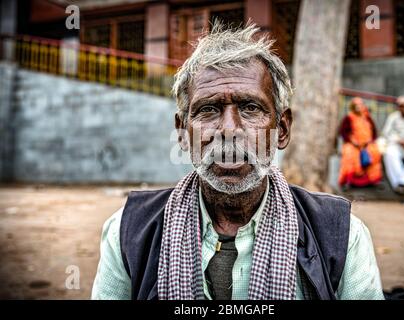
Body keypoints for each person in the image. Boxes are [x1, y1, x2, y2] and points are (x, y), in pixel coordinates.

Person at [91, 22, 384, 300]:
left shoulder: (342, 235)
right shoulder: (127, 232)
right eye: (208, 109)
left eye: (250, 107)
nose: (229, 130)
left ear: (281, 130)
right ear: (182, 133)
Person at [338, 97, 382, 188]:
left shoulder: (367, 117)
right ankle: (349, 181)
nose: (358, 107)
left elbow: (374, 133)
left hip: (367, 144)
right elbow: (343, 132)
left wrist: (369, 141)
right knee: (349, 153)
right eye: (356, 105)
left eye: (360, 105)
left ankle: (374, 180)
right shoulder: (348, 118)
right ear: (353, 107)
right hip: (353, 143)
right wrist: (353, 142)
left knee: (375, 152)